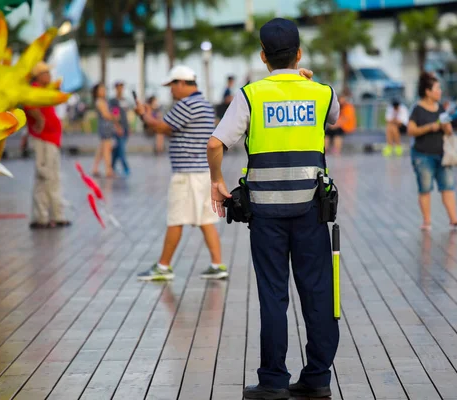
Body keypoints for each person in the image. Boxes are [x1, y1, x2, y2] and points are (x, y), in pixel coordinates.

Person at [207, 18, 340, 400]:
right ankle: (317, 377)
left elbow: (216, 144)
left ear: (263, 57)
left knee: (273, 294)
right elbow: (333, 115)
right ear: (299, 54)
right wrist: (307, 81)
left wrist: (217, 182)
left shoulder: (251, 95)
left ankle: (274, 381)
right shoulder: (320, 92)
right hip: (312, 210)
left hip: (266, 213)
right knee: (317, 292)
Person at [134, 65, 228, 281]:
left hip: (187, 173)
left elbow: (161, 127)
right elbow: (168, 127)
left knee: (176, 218)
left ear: (182, 83)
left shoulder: (186, 105)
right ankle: (217, 264)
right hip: (203, 171)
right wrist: (149, 117)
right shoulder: (204, 104)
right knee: (206, 219)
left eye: (172, 86)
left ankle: (164, 267)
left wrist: (143, 116)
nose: (171, 91)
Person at [408, 72, 457, 231]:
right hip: (422, 155)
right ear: (427, 91)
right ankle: (426, 221)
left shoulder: (441, 108)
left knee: (448, 187)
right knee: (425, 189)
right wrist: (430, 127)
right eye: (437, 88)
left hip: (442, 155)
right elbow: (411, 130)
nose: (440, 92)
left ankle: (454, 220)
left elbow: (449, 131)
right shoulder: (417, 109)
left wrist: (446, 126)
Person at [25, 62, 71, 229]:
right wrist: (39, 119)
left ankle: (54, 215)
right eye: (46, 72)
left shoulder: (45, 89)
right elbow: (29, 105)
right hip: (42, 139)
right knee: (44, 177)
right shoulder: (34, 89)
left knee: (53, 177)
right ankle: (41, 216)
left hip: (51, 139)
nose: (49, 75)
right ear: (38, 75)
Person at [91, 83, 121, 178]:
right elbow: (106, 115)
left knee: (102, 149)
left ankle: (95, 168)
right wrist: (114, 117)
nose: (103, 91)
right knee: (107, 149)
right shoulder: (100, 102)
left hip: (107, 126)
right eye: (101, 90)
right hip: (105, 127)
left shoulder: (103, 101)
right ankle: (108, 170)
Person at [109, 81, 130, 176]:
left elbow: (125, 114)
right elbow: (115, 114)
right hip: (119, 129)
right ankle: (126, 168)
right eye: (119, 87)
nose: (121, 90)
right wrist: (118, 127)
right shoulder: (114, 101)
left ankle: (111, 167)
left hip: (125, 127)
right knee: (121, 150)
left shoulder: (124, 100)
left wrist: (128, 127)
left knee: (117, 150)